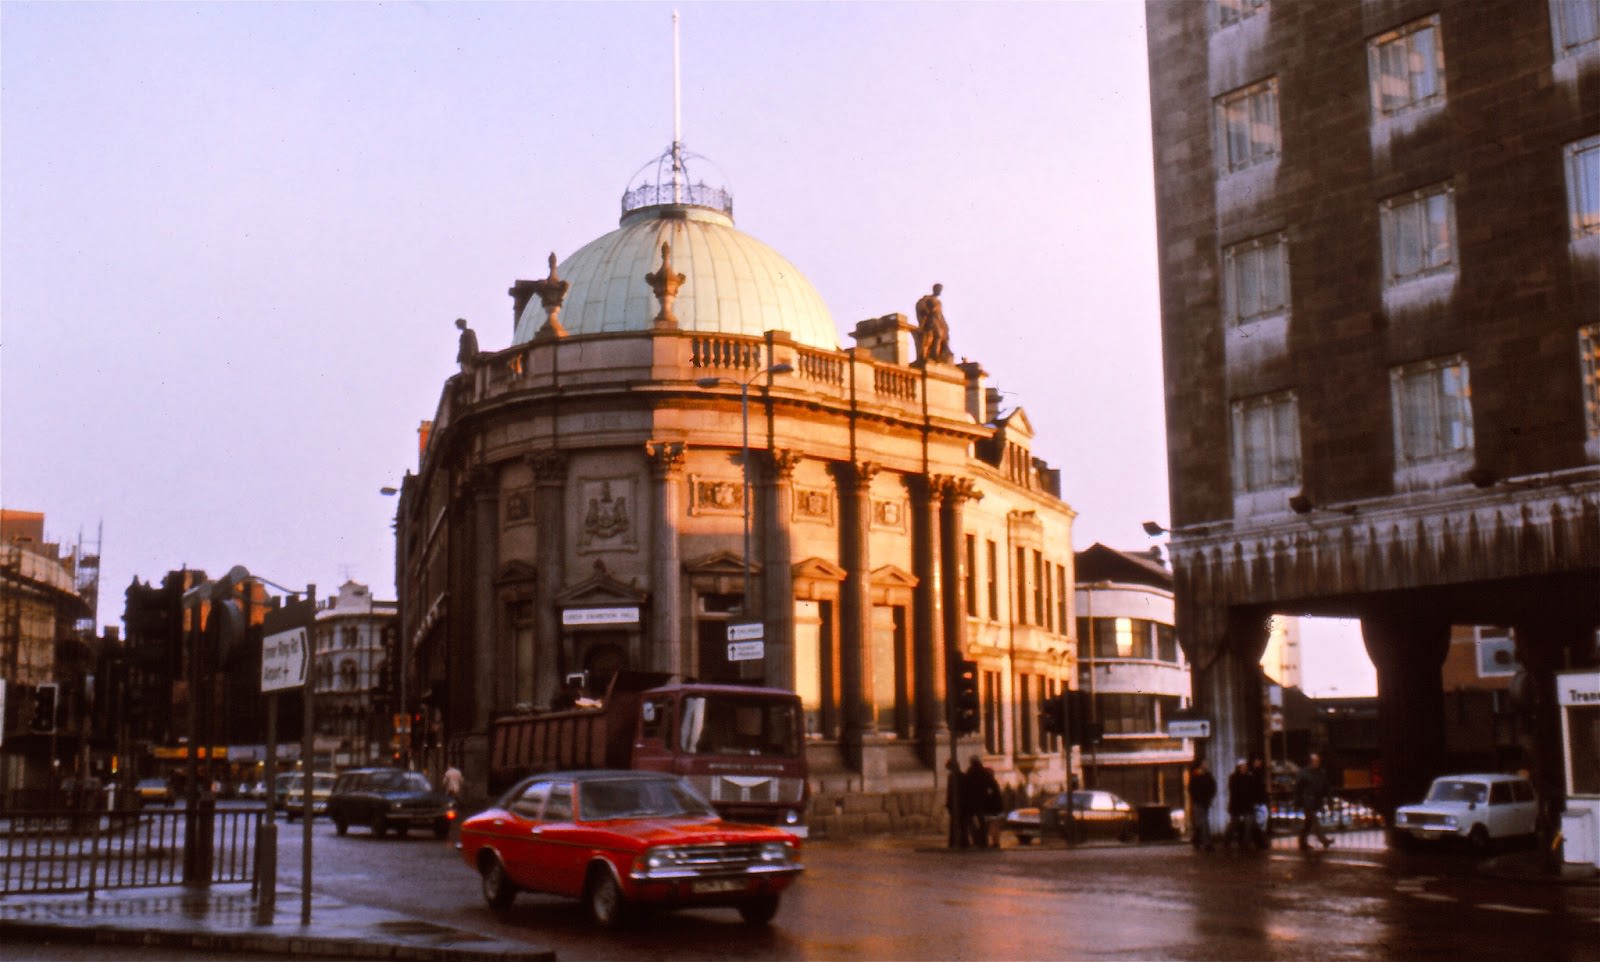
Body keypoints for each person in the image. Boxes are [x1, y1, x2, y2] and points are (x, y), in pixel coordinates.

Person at [1295, 752, 1334, 850]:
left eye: (1318, 761)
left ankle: (1302, 841)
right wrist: (1298, 801)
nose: (1317, 763)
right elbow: (1298, 789)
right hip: (1307, 801)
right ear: (1311, 762)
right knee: (1314, 820)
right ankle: (1323, 840)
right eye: (1315, 761)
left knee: (1308, 824)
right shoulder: (1304, 773)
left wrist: (1329, 801)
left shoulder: (1321, 773)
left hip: (1316, 801)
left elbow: (1326, 788)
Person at [963, 756, 1002, 848]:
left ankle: (977, 840)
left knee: (973, 823)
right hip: (983, 804)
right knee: (984, 823)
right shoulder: (985, 774)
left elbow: (967, 788)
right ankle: (984, 841)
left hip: (972, 803)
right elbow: (994, 791)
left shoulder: (970, 772)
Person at [914, 283, 952, 363]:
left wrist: (944, 324)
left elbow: (940, 314)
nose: (939, 291)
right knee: (938, 334)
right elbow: (920, 306)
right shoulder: (927, 299)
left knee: (942, 336)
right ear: (934, 289)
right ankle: (933, 354)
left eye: (940, 290)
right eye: (938, 289)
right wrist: (925, 312)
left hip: (938, 320)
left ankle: (938, 354)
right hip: (931, 320)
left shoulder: (938, 302)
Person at [1224, 758, 1255, 852]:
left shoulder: (1249, 777)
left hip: (1247, 805)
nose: (1244, 768)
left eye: (1245, 766)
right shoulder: (1234, 778)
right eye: (1243, 767)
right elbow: (1234, 792)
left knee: (1248, 823)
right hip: (1237, 805)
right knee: (1234, 824)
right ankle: (1227, 840)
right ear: (1239, 767)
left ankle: (1246, 843)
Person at [1188, 761, 1216, 852]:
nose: (1207, 765)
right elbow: (1191, 788)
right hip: (1199, 802)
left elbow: (1213, 787)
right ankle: (1207, 843)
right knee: (1204, 822)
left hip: (1205, 802)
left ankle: (1196, 839)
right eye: (1205, 763)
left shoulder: (1208, 775)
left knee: (1201, 822)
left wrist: (1210, 796)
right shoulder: (1196, 775)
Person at [945, 758, 970, 848]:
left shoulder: (952, 777)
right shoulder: (963, 776)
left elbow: (950, 792)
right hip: (963, 805)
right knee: (963, 825)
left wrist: (948, 803)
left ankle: (954, 842)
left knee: (955, 825)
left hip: (957, 805)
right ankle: (964, 842)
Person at [1248, 756, 1270, 850]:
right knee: (1260, 822)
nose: (1258, 763)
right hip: (1257, 801)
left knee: (1261, 821)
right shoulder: (1254, 774)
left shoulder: (1257, 774)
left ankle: (1260, 841)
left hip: (1259, 800)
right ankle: (1260, 841)